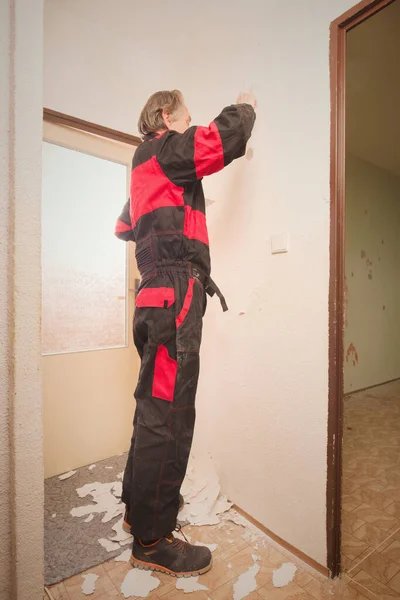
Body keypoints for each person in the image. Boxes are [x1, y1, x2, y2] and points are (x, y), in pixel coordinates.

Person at [115, 90, 256, 577]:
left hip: (155, 295)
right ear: (164, 117)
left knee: (152, 409)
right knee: (169, 415)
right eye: (184, 119)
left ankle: (138, 510)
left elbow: (124, 227)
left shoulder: (142, 171)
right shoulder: (164, 149)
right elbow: (221, 139)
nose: (187, 127)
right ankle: (153, 541)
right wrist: (245, 107)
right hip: (174, 295)